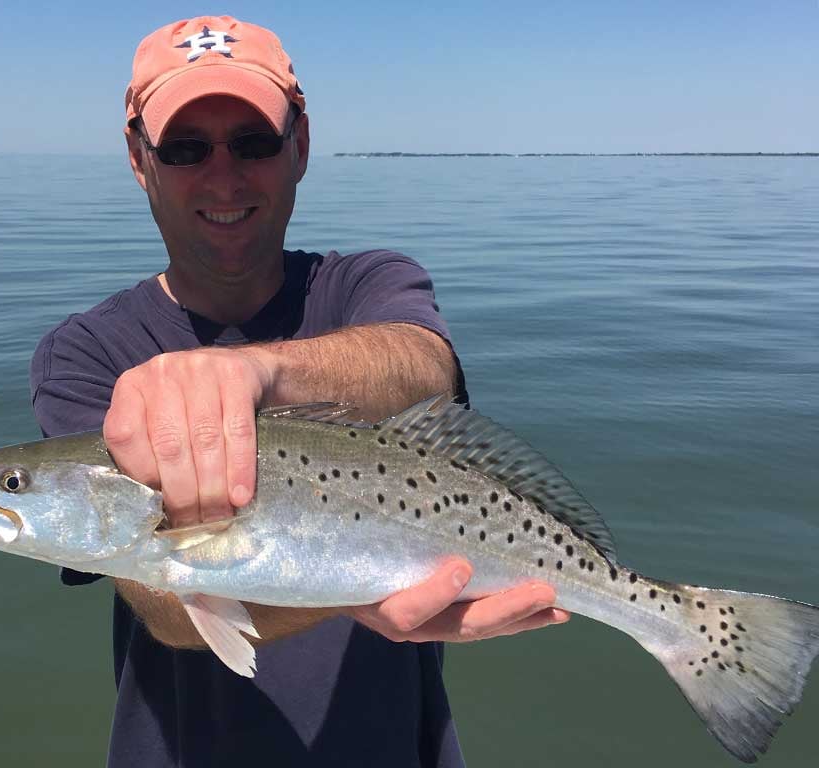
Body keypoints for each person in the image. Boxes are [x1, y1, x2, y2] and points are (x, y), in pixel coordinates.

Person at [30, 15, 568, 767]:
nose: (223, 177)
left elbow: (423, 365)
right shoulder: (88, 354)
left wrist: (258, 370)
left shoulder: (369, 284)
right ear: (138, 158)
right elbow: (164, 606)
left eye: (252, 143)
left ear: (301, 146)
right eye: (186, 148)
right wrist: (346, 588)